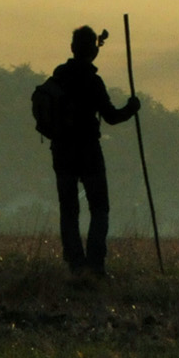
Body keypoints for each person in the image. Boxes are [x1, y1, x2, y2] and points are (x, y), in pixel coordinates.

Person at [48, 25, 140, 277]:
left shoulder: (59, 76)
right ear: (92, 51)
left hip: (62, 151)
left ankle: (76, 263)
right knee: (99, 209)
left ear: (72, 48)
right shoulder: (92, 81)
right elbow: (110, 117)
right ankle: (95, 264)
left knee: (69, 209)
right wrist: (131, 108)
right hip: (88, 151)